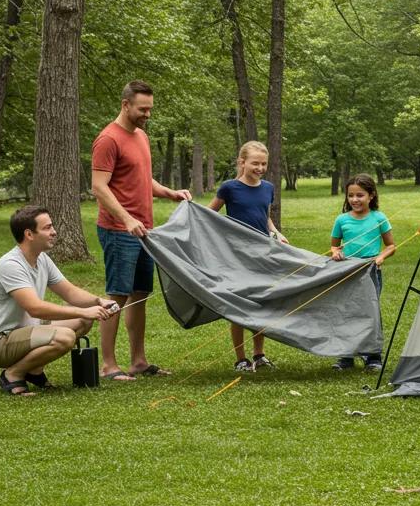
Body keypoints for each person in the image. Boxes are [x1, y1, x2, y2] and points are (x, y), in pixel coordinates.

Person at [91, 80, 191, 381]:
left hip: (144, 230)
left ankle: (138, 361)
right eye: (142, 109)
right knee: (117, 296)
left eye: (150, 109)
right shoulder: (108, 139)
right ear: (125, 105)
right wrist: (126, 219)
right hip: (119, 230)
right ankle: (108, 365)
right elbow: (99, 187)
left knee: (139, 295)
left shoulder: (141, 136)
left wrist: (170, 193)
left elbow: (142, 178)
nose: (147, 114)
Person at [0, 205, 118, 396]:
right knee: (65, 337)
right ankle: (13, 374)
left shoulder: (42, 258)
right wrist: (84, 310)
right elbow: (35, 308)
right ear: (29, 234)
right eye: (47, 227)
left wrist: (98, 301)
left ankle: (33, 371)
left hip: (25, 332)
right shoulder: (11, 265)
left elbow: (69, 292)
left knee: (83, 321)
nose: (54, 232)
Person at [209, 140, 289, 372]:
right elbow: (208, 214)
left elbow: (265, 216)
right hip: (236, 256)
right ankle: (241, 359)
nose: (260, 168)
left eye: (264, 164)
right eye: (255, 163)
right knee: (238, 306)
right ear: (242, 162)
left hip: (262, 255)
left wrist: (276, 232)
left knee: (260, 303)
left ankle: (259, 355)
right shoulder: (229, 188)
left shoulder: (268, 188)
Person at [329, 173, 395, 371]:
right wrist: (335, 253)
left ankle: (373, 357)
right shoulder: (342, 220)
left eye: (360, 195)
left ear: (371, 195)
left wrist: (380, 257)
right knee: (346, 311)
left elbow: (391, 246)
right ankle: (346, 357)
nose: (355, 200)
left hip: (370, 271)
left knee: (369, 312)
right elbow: (334, 246)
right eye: (351, 195)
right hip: (348, 270)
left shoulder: (379, 218)